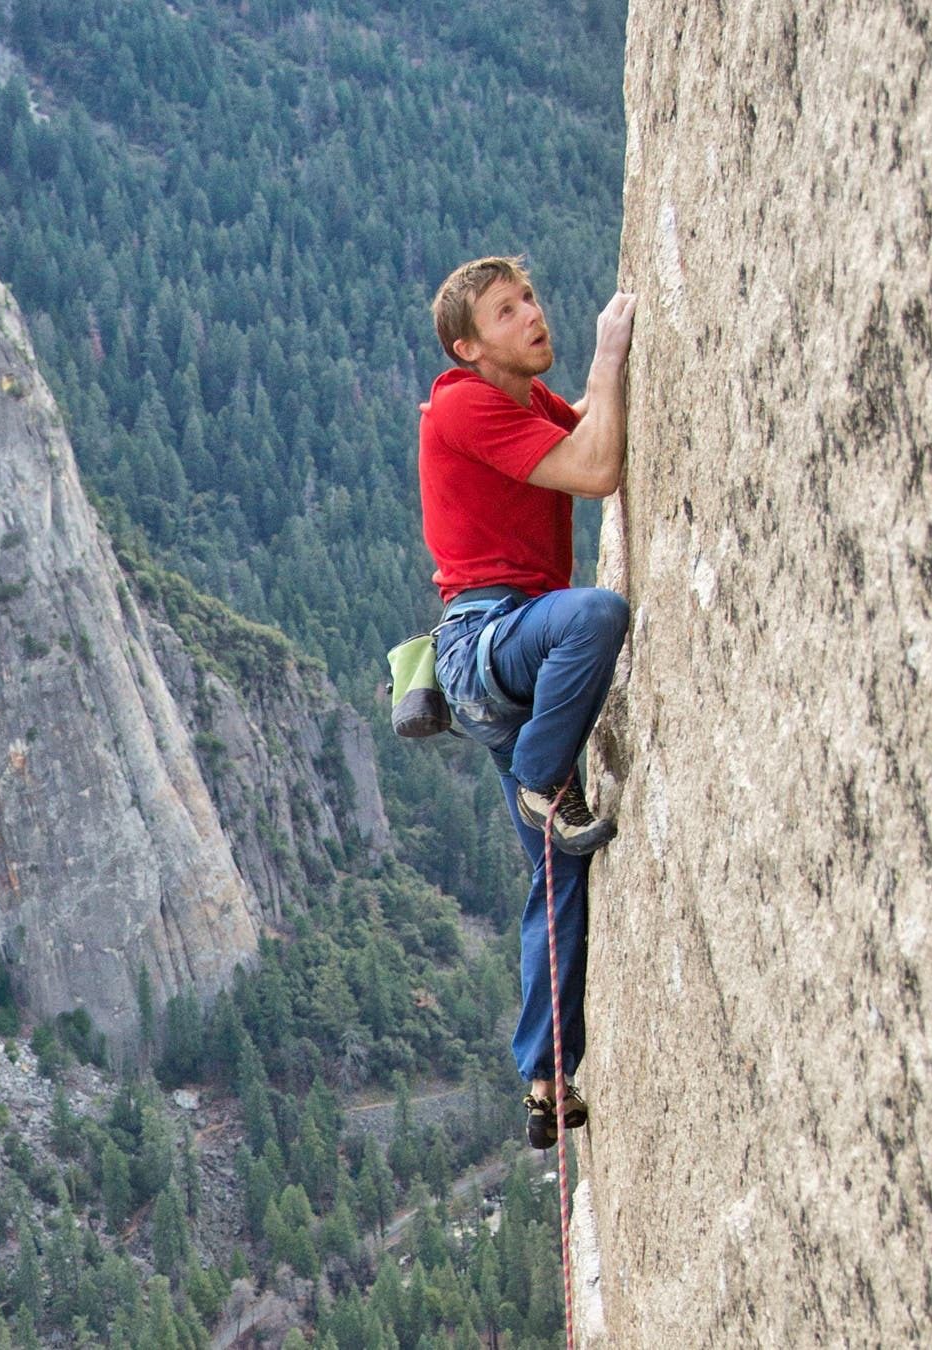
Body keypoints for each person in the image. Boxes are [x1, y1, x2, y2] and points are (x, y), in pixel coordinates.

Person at [417, 255, 636, 1149]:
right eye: (507, 312)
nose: (533, 317)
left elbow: (580, 432)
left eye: (532, 300)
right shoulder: (466, 403)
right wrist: (611, 358)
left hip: (508, 649)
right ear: (469, 347)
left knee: (558, 866)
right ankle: (546, 774)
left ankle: (546, 1075)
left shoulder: (520, 400)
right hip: (488, 640)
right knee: (598, 614)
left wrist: (597, 394)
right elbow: (597, 470)